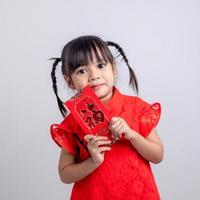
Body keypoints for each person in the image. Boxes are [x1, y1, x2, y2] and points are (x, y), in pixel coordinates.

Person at [49, 35, 164, 200]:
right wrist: (93, 161)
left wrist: (132, 135)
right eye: (82, 71)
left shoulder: (136, 107)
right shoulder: (72, 123)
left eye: (101, 65)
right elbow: (65, 174)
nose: (94, 75)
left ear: (114, 69)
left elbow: (157, 155)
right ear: (69, 82)